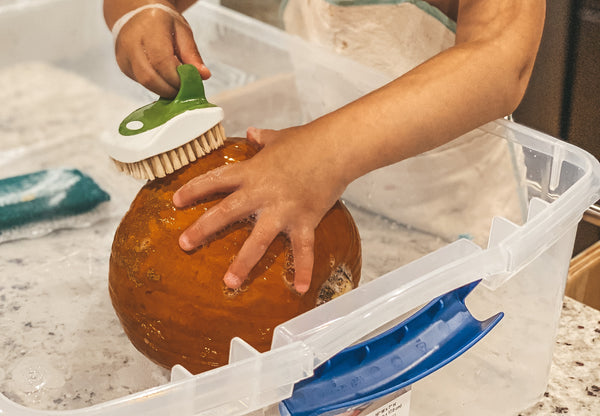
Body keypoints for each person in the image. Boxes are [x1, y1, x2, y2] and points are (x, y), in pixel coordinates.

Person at [103, 0, 545, 294]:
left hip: (456, 233)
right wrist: (137, 13)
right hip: (320, 206)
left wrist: (324, 155)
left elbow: (500, 60)